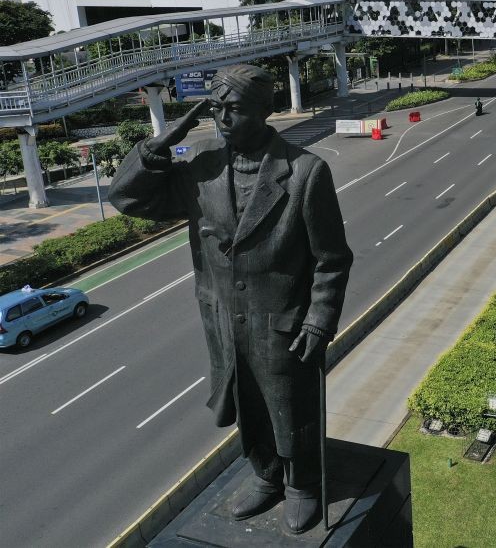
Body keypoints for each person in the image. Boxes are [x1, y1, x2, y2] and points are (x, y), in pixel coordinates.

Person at [109, 64, 353, 534]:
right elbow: (129, 200)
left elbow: (332, 259)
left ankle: (302, 484)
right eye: (217, 108)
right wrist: (156, 147)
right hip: (225, 323)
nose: (223, 117)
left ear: (265, 111)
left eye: (235, 108)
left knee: (290, 408)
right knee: (248, 405)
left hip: (284, 323)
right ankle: (265, 476)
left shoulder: (305, 173)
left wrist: (319, 320)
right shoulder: (200, 165)